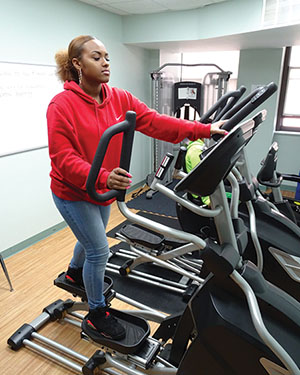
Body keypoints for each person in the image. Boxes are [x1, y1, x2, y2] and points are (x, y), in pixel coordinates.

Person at [47, 35, 228, 342]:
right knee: (98, 249)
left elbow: (157, 122)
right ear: (77, 64)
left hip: (102, 190)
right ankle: (96, 316)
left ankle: (73, 274)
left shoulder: (119, 98)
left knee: (90, 239)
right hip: (73, 192)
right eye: (96, 57)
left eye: (107, 57)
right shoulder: (60, 106)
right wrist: (103, 177)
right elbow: (63, 159)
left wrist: (203, 130)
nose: (105, 62)